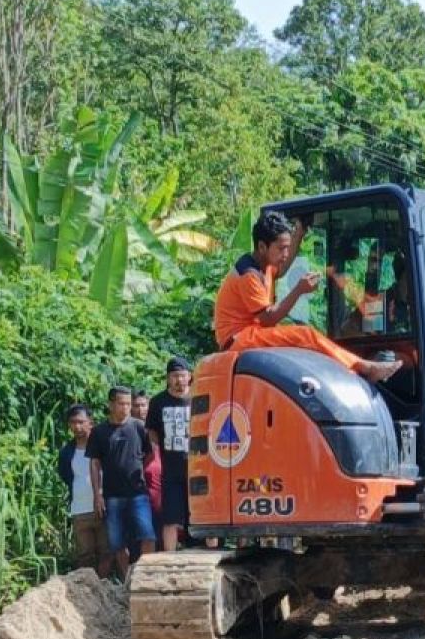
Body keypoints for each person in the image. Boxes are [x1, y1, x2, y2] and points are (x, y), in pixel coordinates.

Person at [213, 211, 401, 382]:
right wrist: (299, 290)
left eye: (287, 248)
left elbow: (282, 269)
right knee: (306, 334)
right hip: (238, 339)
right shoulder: (249, 274)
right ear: (262, 246)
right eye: (281, 249)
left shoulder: (265, 265)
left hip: (251, 333)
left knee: (301, 334)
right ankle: (366, 367)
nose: (286, 254)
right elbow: (269, 318)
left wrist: (300, 233)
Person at [87, 385, 156, 578]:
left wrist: (137, 470)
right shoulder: (99, 431)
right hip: (112, 495)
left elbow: (149, 456)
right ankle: (128, 580)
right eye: (121, 403)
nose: (125, 408)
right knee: (117, 543)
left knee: (148, 535)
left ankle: (145, 575)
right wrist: (97, 494)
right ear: (111, 404)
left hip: (138, 492)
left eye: (128, 404)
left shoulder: (138, 427)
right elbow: (94, 463)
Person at [146, 358, 205, 552]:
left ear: (189, 376)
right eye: (174, 376)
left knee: (204, 514)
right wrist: (159, 449)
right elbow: (152, 430)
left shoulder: (201, 397)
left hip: (200, 468)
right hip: (171, 471)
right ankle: (169, 557)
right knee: (170, 518)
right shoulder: (158, 402)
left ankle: (209, 554)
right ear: (168, 379)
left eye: (182, 375)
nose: (179, 380)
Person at [58, 405, 111, 578]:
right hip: (80, 509)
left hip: (103, 507)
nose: (77, 427)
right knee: (84, 554)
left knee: (106, 551)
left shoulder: (103, 446)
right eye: (73, 423)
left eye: (81, 422)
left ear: (91, 423)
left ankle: (103, 587)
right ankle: (87, 590)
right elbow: (66, 475)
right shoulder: (67, 452)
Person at [132, 390, 162, 533]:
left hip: (160, 491)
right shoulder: (128, 432)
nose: (140, 410)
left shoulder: (158, 429)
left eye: (143, 405)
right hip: (137, 492)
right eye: (136, 406)